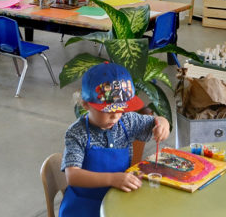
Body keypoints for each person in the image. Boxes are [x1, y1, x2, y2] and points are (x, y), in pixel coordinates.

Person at [59, 62, 170, 217]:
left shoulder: (126, 121)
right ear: (86, 104)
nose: (116, 116)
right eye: (108, 110)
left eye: (121, 109)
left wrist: (162, 123)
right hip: (83, 204)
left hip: (118, 199)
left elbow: (156, 121)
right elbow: (73, 176)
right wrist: (113, 179)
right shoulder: (77, 133)